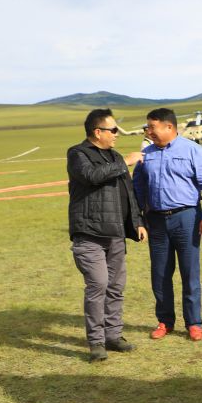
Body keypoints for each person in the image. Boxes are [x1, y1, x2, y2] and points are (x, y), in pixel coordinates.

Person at [67, 109, 147, 361]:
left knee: (116, 287)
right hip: (89, 233)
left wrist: (137, 222)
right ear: (97, 132)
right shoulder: (78, 154)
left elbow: (128, 194)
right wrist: (125, 163)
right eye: (113, 130)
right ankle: (96, 342)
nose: (117, 135)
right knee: (98, 285)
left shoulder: (114, 156)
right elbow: (91, 176)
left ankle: (113, 336)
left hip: (115, 234)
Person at [133, 107, 202, 342]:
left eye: (152, 126)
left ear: (169, 127)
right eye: (147, 127)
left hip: (187, 218)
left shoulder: (193, 151)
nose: (148, 131)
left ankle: (193, 322)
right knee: (160, 274)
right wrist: (138, 219)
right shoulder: (145, 154)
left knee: (190, 273)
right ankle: (164, 321)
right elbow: (137, 190)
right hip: (156, 221)